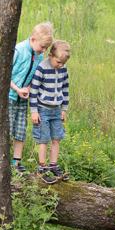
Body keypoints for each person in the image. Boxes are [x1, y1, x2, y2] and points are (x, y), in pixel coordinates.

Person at [9, 22, 53, 173]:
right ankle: (3, 161)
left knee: (20, 129)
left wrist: (27, 88)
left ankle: (16, 162)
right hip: (9, 95)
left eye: (46, 48)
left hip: (23, 97)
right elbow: (5, 73)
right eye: (42, 47)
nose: (44, 51)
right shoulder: (19, 50)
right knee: (7, 129)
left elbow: (34, 76)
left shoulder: (39, 55)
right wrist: (17, 88)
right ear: (33, 39)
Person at [30, 40, 70, 184]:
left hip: (57, 110)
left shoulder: (63, 69)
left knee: (56, 138)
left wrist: (64, 109)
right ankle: (42, 167)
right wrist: (34, 111)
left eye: (63, 63)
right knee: (43, 139)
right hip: (43, 110)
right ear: (51, 55)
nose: (60, 65)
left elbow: (65, 89)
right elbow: (33, 91)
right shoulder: (42, 68)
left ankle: (53, 165)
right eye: (58, 62)